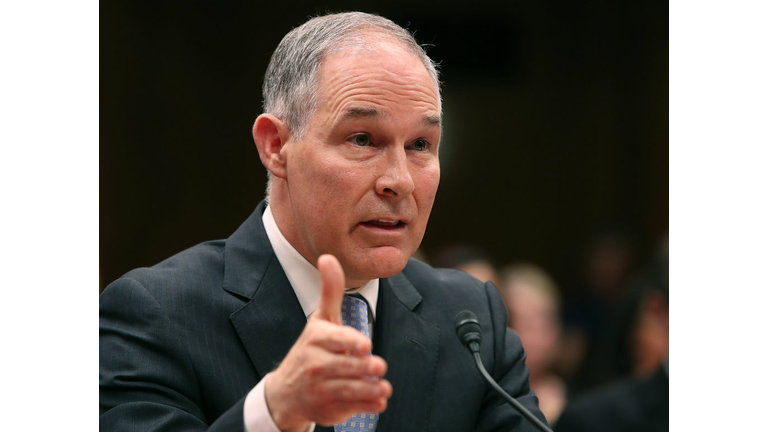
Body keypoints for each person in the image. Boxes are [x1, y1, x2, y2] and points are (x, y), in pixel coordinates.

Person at [99, 12, 546, 432]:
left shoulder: (470, 320)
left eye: (421, 145)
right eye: (362, 139)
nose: (400, 181)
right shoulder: (154, 313)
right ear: (276, 145)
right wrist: (274, 412)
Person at [500, 263, 567, 426]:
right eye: (525, 324)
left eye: (545, 323)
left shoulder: (579, 400)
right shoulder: (483, 399)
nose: (537, 337)